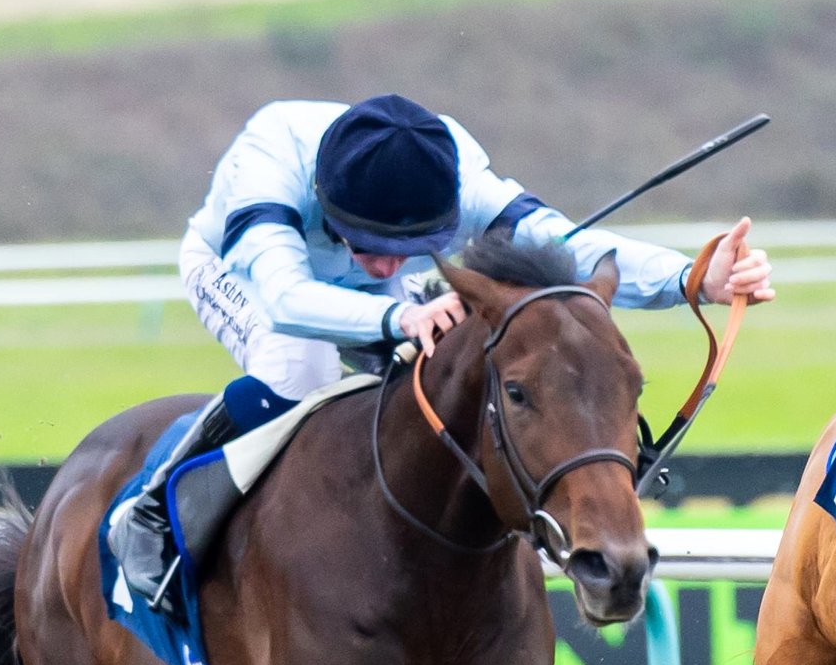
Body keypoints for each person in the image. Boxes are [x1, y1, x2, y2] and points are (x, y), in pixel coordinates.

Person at [109, 93, 772, 617]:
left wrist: (693, 279)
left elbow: (562, 246)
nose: (384, 265)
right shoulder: (269, 162)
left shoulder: (455, 168)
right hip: (243, 270)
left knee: (443, 371)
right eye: (366, 243)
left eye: (406, 248)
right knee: (301, 368)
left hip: (362, 294)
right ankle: (152, 507)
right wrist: (399, 312)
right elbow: (285, 299)